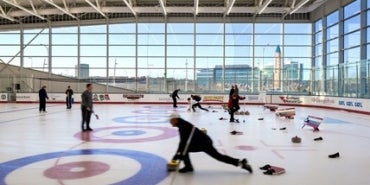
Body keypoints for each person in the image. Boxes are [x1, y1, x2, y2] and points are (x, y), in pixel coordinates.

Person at [169, 112, 252, 173]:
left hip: (204, 143)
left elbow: (183, 143)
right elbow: (183, 144)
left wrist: (175, 157)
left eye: (171, 121)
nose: (170, 122)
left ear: (175, 119)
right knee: (185, 150)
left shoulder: (183, 126)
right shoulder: (182, 125)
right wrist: (177, 155)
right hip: (201, 141)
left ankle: (241, 163)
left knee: (218, 157)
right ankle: (188, 166)